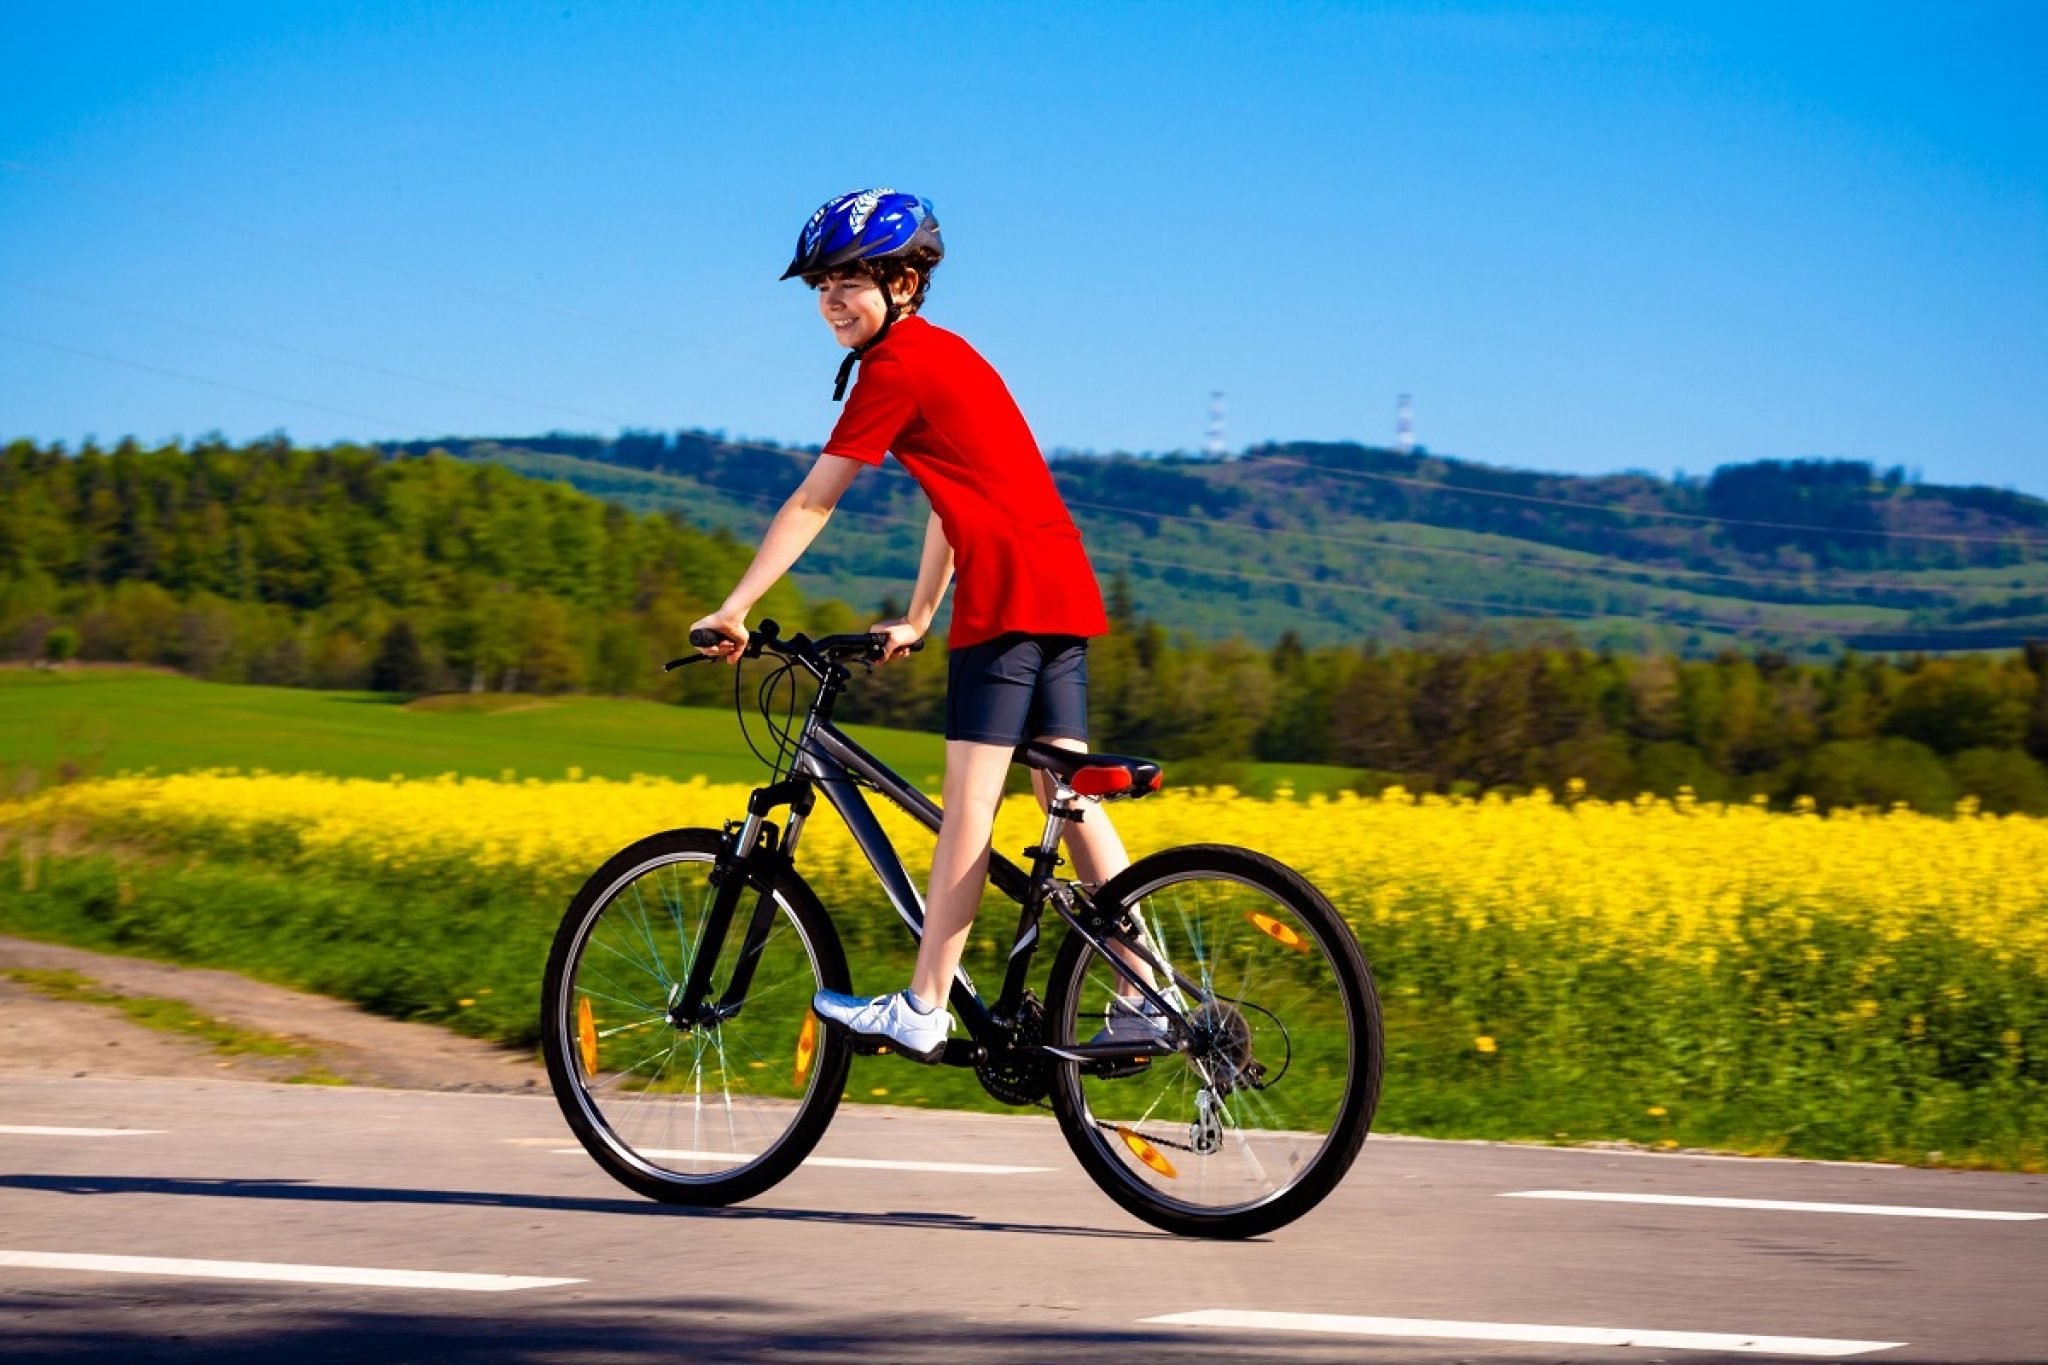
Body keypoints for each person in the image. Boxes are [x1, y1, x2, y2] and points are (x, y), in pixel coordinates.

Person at [689, 187, 1161, 1063]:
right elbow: (957, 496)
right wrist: (916, 615)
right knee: (1067, 794)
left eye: (850, 281)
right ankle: (1141, 988)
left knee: (967, 814)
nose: (831, 299)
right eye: (820, 285)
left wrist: (736, 607)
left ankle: (925, 1001)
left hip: (1007, 602)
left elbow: (814, 497)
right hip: (1060, 584)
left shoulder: (895, 367)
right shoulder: (951, 357)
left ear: (905, 281)